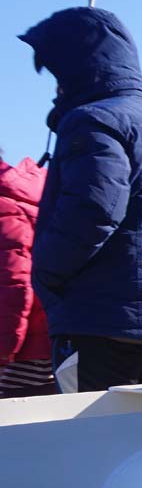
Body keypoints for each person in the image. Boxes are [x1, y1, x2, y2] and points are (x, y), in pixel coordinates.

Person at [18, 8, 142, 391]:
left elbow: (94, 208)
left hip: (104, 316)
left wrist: (47, 273)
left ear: (75, 68)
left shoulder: (93, 119)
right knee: (135, 439)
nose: (56, 88)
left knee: (92, 441)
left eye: (58, 76)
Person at [0, 152, 54, 397]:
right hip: (40, 341)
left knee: (18, 427)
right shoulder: (26, 198)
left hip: (20, 353)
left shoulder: (6, 206)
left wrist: (4, 351)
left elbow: (14, 283)